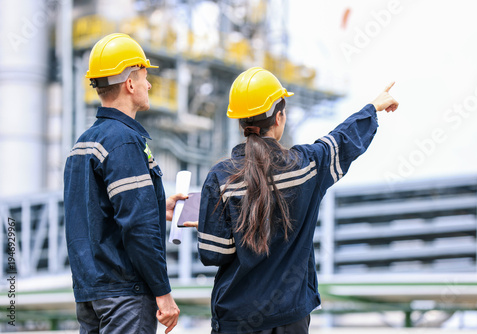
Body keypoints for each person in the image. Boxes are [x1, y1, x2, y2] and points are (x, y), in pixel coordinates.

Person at [185, 67, 398, 333]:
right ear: (280, 117)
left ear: (239, 122)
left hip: (238, 318)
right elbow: (340, 141)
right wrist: (373, 108)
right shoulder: (306, 167)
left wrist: (208, 221)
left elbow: (213, 253)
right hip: (289, 318)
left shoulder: (221, 177)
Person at [64, 33, 183, 334]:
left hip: (91, 294)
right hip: (125, 296)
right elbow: (138, 227)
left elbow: (96, 216)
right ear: (130, 84)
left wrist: (158, 206)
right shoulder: (125, 143)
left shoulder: (84, 144)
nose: (149, 84)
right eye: (144, 77)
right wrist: (163, 293)